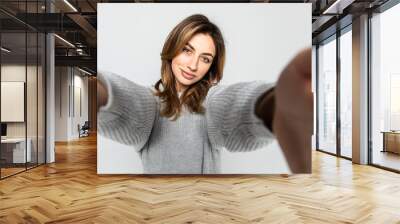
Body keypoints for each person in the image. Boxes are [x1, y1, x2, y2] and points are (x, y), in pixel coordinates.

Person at [97, 14, 312, 174]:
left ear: (211, 67)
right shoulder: (150, 104)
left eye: (205, 58)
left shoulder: (211, 102)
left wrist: (274, 105)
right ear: (172, 48)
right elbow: (127, 102)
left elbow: (233, 108)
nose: (193, 65)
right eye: (187, 50)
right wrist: (99, 93)